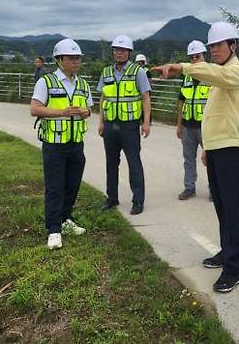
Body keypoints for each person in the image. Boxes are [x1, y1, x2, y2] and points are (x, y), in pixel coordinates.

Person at [154, 22, 239, 293]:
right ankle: (226, 251)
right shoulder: (217, 75)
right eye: (212, 46)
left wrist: (182, 66)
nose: (215, 50)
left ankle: (234, 269)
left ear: (233, 46)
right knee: (221, 206)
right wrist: (207, 146)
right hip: (217, 147)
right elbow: (212, 114)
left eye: (219, 45)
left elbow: (213, 75)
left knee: (232, 208)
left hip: (233, 147)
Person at [30, 39, 92, 250]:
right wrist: (62, 113)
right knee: (55, 188)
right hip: (54, 144)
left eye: (78, 58)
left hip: (76, 143)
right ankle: (54, 230)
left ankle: (66, 220)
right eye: (72, 58)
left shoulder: (82, 84)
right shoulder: (46, 82)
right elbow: (35, 109)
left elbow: (89, 109)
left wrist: (86, 112)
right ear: (59, 60)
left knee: (72, 185)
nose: (76, 61)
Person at [97, 35, 151, 215]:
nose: (119, 53)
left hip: (129, 126)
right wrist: (101, 121)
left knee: (134, 162)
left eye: (122, 50)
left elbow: (145, 98)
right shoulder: (106, 73)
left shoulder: (138, 72)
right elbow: (103, 97)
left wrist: (146, 123)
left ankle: (138, 200)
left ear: (129, 52)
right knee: (111, 163)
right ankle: (111, 197)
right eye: (116, 50)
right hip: (111, 125)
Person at [175, 40, 210, 200]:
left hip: (206, 127)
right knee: (188, 158)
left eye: (197, 56)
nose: (194, 60)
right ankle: (189, 187)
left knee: (211, 160)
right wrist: (179, 125)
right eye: (192, 57)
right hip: (188, 126)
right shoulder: (187, 77)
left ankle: (213, 189)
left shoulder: (212, 77)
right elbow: (181, 101)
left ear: (204, 56)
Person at [135, 53, 153, 124]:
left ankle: (148, 121)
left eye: (140, 62)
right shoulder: (136, 70)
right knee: (139, 106)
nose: (139, 64)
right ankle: (140, 120)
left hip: (145, 91)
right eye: (138, 62)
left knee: (146, 106)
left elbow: (149, 82)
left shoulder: (146, 71)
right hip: (138, 91)